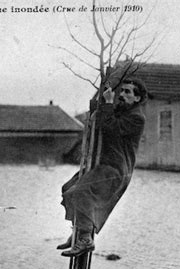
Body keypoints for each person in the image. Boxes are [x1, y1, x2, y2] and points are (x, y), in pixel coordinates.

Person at [58, 78, 149, 257]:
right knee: (68, 188)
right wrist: (99, 106)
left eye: (128, 92)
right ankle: (79, 232)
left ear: (137, 98)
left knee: (80, 192)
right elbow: (100, 122)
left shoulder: (136, 118)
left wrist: (107, 103)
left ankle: (85, 238)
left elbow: (110, 128)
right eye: (121, 91)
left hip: (116, 170)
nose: (122, 95)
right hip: (101, 165)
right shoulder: (121, 112)